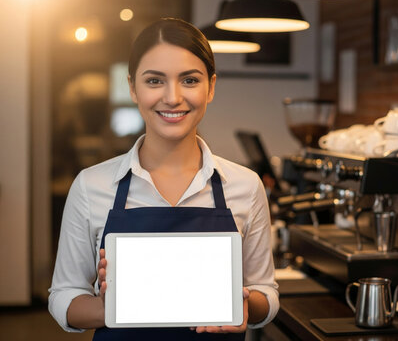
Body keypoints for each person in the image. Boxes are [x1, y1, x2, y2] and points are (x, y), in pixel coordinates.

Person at [48, 18, 279, 340]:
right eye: (155, 81)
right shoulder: (91, 185)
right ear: (133, 88)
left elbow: (265, 293)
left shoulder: (246, 185)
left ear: (211, 87)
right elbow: (63, 296)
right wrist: (114, 307)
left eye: (189, 80)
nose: (172, 97)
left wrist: (241, 305)